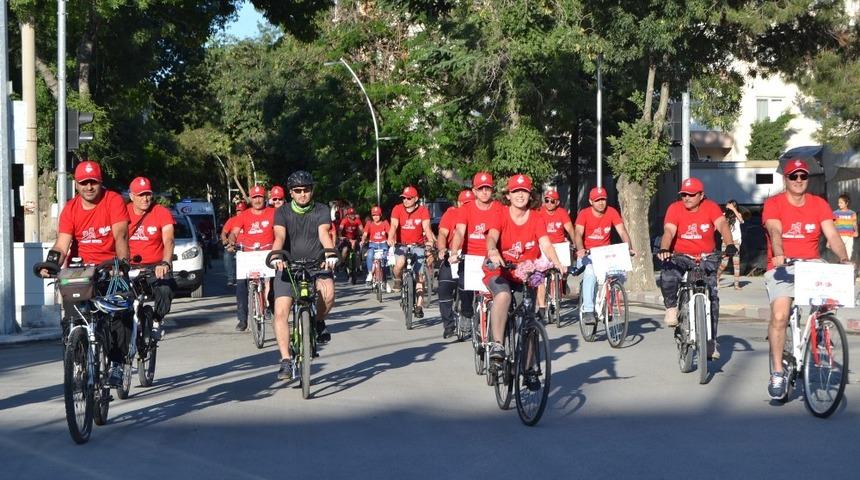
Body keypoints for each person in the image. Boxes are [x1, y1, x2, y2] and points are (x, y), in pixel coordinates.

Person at [762, 159, 849, 400]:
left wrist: (843, 258)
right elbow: (775, 231)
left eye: (803, 176)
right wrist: (778, 253)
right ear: (786, 179)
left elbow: (832, 235)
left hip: (811, 263)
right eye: (794, 176)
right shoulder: (774, 204)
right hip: (783, 266)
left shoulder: (819, 204)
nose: (799, 180)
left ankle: (820, 330)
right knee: (780, 315)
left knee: (829, 300)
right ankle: (778, 372)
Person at [39, 160, 130, 387]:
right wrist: (51, 264)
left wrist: (121, 266)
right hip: (80, 272)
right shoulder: (70, 208)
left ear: (100, 182)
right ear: (76, 184)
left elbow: (121, 235)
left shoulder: (114, 200)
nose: (89, 187)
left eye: (93, 182)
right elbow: (62, 245)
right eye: (84, 183)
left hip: (109, 268)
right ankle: (78, 359)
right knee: (71, 320)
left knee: (119, 315)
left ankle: (117, 364)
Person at [484, 174, 566, 361]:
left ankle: (529, 367)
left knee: (530, 318)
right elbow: (492, 237)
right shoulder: (501, 214)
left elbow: (546, 244)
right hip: (500, 270)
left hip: (526, 274)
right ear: (508, 195)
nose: (520, 195)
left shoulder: (537, 218)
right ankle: (497, 344)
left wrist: (557, 262)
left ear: (531, 195)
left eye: (524, 191)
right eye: (516, 191)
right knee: (503, 296)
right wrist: (493, 251)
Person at [657, 177, 736, 360]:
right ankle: (671, 307)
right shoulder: (674, 208)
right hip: (681, 256)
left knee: (713, 297)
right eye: (684, 194)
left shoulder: (711, 207)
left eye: (691, 194)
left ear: (701, 195)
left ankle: (710, 341)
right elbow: (669, 231)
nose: (687, 198)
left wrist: (729, 244)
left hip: (707, 257)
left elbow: (722, 224)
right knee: (668, 274)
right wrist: (664, 249)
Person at [269, 170, 338, 380]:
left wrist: (331, 254)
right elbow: (279, 235)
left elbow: (324, 234)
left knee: (328, 294)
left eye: (306, 190)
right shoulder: (282, 212)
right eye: (297, 191)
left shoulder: (321, 209)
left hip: (317, 263)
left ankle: (316, 322)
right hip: (287, 266)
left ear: (312, 190)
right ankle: (286, 361)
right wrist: (276, 255)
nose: (302, 195)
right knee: (281, 312)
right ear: (291, 193)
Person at [448, 172, 504, 328]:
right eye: (481, 189)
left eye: (487, 188)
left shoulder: (499, 208)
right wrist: (454, 252)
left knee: (499, 289)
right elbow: (459, 232)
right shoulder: (466, 209)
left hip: (490, 257)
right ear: (474, 191)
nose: (484, 192)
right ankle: (466, 312)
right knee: (464, 282)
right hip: (470, 257)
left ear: (492, 190)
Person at [574, 186, 633, 325]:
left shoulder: (611, 212)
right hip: (589, 253)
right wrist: (581, 249)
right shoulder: (584, 213)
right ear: (590, 201)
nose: (601, 203)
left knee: (618, 275)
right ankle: (588, 310)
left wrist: (628, 247)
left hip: (605, 254)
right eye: (597, 200)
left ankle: (609, 305)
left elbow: (622, 231)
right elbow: (578, 233)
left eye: (603, 199)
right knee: (590, 272)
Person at [126, 176, 175, 340]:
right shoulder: (123, 213)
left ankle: (156, 320)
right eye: (140, 195)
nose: (145, 198)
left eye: (148, 194)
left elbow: (169, 240)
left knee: (165, 290)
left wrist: (165, 262)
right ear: (131, 196)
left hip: (155, 266)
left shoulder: (161, 212)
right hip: (129, 266)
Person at [229, 185, 275, 331]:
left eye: (260, 196)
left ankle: (274, 311)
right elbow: (234, 232)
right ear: (250, 199)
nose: (257, 200)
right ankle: (242, 320)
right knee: (241, 284)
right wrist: (231, 241)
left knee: (275, 283)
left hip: (268, 254)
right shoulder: (243, 215)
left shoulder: (274, 213)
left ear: (265, 198)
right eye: (254, 197)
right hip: (248, 254)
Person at [388, 185, 436, 319]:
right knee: (400, 262)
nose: (406, 200)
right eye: (404, 198)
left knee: (419, 276)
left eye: (409, 198)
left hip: (418, 246)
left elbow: (427, 227)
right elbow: (393, 226)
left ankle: (419, 306)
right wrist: (391, 237)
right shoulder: (397, 209)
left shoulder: (423, 211)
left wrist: (430, 241)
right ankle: (397, 280)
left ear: (416, 199)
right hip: (401, 245)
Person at [436, 189, 474, 338]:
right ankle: (448, 325)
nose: (466, 206)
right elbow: (442, 233)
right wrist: (442, 248)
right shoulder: (451, 214)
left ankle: (467, 314)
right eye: (464, 203)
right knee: (444, 287)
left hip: (471, 256)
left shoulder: (478, 214)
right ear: (458, 203)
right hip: (453, 255)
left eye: (469, 204)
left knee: (466, 288)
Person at [535, 188, 576, 321]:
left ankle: (563, 281)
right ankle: (542, 305)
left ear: (557, 202)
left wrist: (576, 243)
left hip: (559, 245)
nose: (549, 203)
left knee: (565, 266)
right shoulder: (539, 211)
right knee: (540, 276)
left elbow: (570, 228)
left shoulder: (562, 212)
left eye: (552, 201)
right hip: (544, 246)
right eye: (546, 200)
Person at [716, 199, 745, 290]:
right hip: (726, 242)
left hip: (736, 242)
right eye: (731, 205)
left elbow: (742, 221)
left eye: (734, 205)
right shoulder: (724, 216)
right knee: (724, 263)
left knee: (736, 264)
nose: (732, 207)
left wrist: (734, 209)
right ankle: (716, 278)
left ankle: (736, 285)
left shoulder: (738, 215)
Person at [361, 205, 390, 284]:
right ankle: (370, 273)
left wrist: (391, 239)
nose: (375, 217)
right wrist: (363, 240)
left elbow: (390, 233)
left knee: (385, 260)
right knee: (369, 255)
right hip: (372, 245)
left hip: (383, 245)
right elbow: (365, 234)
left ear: (380, 215)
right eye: (373, 215)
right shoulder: (369, 223)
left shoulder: (385, 223)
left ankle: (385, 280)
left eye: (377, 215)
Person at [220, 202, 247, 287]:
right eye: (238, 210)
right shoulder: (232, 220)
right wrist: (224, 239)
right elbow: (223, 232)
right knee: (227, 255)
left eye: (241, 211)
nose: (239, 212)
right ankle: (231, 278)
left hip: (247, 246)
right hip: (234, 245)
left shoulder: (249, 219)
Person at [832, 192, 857, 262]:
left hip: (849, 236)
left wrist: (856, 231)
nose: (839, 204)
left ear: (846, 203)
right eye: (838, 202)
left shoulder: (852, 213)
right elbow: (833, 225)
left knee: (849, 254)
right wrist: (829, 239)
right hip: (839, 237)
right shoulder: (834, 213)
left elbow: (854, 223)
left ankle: (846, 270)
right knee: (840, 256)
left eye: (841, 202)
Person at [338, 207, 363, 274]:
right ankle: (342, 263)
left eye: (353, 214)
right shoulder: (344, 220)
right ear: (348, 215)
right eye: (350, 214)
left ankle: (359, 268)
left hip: (355, 238)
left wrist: (361, 235)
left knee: (358, 253)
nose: (352, 215)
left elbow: (361, 230)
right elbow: (340, 230)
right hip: (346, 239)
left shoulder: (357, 220)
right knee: (345, 250)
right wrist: (340, 237)